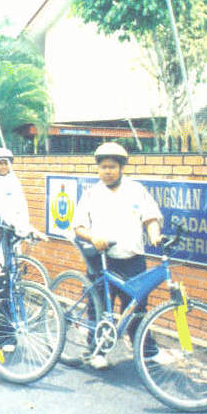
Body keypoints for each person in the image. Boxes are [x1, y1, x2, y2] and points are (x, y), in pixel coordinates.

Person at [73, 142, 163, 369]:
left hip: (132, 258)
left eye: (112, 166)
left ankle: (147, 351)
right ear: (98, 169)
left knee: (137, 307)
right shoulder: (91, 194)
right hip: (102, 259)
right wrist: (93, 237)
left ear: (122, 167)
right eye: (103, 167)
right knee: (100, 306)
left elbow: (150, 217)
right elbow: (78, 226)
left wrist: (154, 235)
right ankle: (96, 351)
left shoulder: (136, 190)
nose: (107, 171)